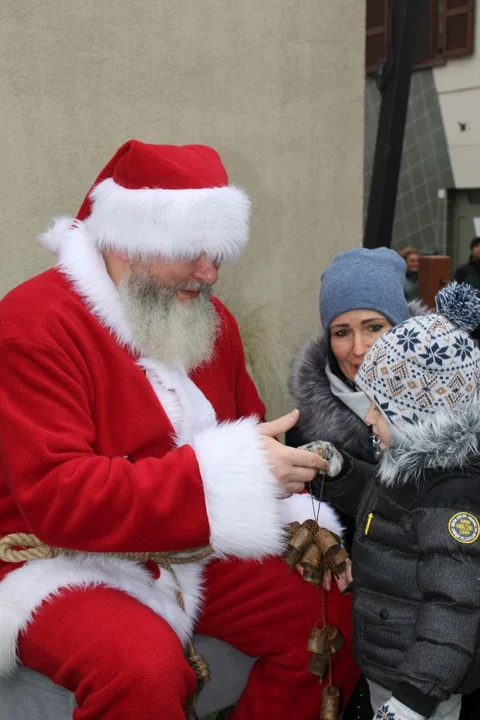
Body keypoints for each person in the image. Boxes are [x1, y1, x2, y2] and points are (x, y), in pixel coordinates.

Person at [0, 139, 359, 720]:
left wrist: (297, 516)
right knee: (142, 669)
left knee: (327, 608)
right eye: (193, 251)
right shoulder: (34, 324)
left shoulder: (210, 321)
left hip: (187, 548)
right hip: (56, 560)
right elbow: (59, 498)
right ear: (131, 239)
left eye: (217, 252)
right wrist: (227, 474)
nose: (210, 272)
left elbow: (250, 436)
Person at [310, 281, 480, 720]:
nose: (368, 417)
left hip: (423, 691)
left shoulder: (452, 497)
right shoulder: (414, 466)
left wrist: (414, 700)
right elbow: (380, 502)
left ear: (419, 418)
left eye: (379, 409)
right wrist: (338, 471)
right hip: (390, 661)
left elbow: (455, 608)